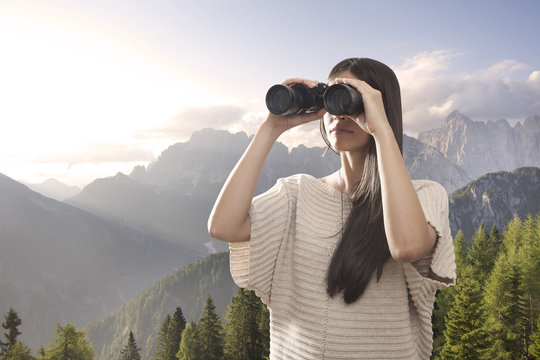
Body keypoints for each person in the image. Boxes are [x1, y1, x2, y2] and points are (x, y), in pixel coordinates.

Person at [208, 57, 456, 360]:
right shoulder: (297, 193)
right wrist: (272, 127)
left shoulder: (425, 196)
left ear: (380, 109)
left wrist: (382, 132)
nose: (339, 114)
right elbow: (223, 226)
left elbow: (406, 247)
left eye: (351, 101)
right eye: (332, 100)